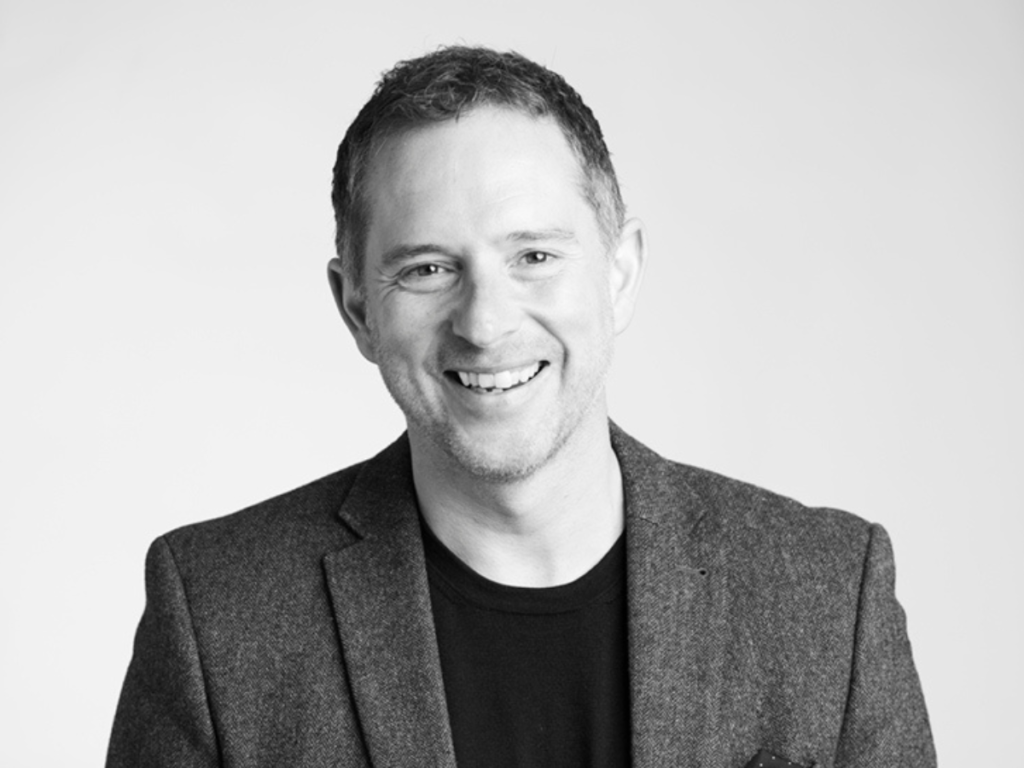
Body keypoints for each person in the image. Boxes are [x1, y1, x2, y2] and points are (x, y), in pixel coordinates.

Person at [106, 46, 935, 768]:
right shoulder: (215, 614)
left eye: (534, 255)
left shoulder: (829, 596)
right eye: (427, 269)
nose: (486, 322)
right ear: (356, 306)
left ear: (620, 273)